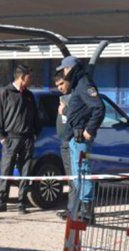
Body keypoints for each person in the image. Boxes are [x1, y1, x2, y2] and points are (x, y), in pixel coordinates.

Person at [56, 56, 105, 222]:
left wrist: (90, 129)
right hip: (74, 137)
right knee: (78, 175)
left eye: (64, 69)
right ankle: (80, 210)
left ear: (70, 68)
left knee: (83, 173)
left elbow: (99, 107)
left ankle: (87, 213)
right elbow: (79, 109)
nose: (63, 72)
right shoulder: (78, 83)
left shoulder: (84, 83)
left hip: (80, 137)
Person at [0, 64, 41, 214]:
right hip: (11, 139)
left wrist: (35, 134)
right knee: (6, 170)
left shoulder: (29, 95)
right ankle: (1, 202)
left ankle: (22, 203)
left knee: (25, 172)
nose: (31, 79)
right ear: (22, 77)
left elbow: (36, 117)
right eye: (29, 76)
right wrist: (2, 138)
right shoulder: (5, 93)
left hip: (27, 139)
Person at [53, 70, 74, 220]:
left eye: (61, 83)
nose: (59, 87)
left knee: (76, 179)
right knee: (71, 179)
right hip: (64, 142)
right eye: (57, 85)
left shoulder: (75, 97)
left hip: (73, 142)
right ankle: (72, 209)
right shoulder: (63, 98)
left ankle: (75, 211)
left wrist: (65, 110)